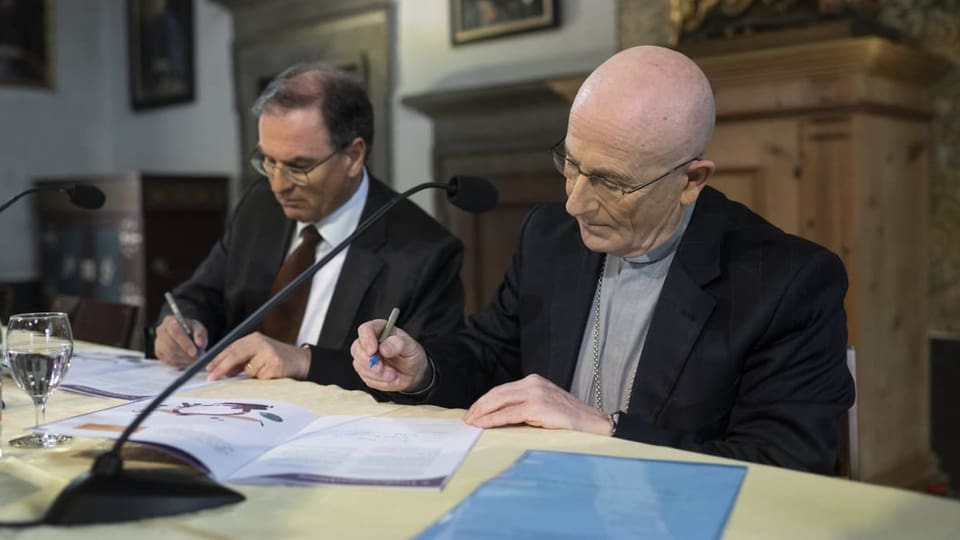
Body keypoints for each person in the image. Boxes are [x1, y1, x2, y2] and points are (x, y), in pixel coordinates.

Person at [350, 46, 855, 474]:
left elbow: (783, 466)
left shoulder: (787, 283)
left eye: (612, 182)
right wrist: (424, 370)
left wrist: (606, 430)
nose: (575, 203)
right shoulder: (549, 236)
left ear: (692, 180)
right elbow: (492, 355)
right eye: (571, 164)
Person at [155, 62, 465, 391]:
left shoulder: (424, 251)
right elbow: (202, 293)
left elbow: (430, 377)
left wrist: (305, 362)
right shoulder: (260, 207)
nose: (278, 185)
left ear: (354, 156)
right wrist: (183, 323)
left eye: (298, 167)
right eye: (269, 161)